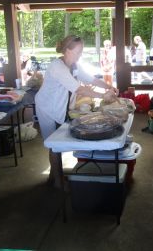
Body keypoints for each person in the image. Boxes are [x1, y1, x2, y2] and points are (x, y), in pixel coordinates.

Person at [35, 35, 119, 188]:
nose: (80, 54)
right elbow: (79, 88)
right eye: (78, 51)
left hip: (59, 107)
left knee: (57, 143)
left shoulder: (74, 65)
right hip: (47, 108)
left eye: (81, 51)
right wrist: (102, 95)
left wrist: (108, 87)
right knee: (54, 145)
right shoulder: (57, 66)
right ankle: (57, 181)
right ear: (67, 50)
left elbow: (91, 79)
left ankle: (54, 176)